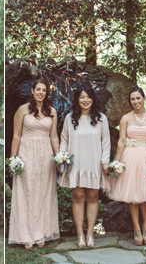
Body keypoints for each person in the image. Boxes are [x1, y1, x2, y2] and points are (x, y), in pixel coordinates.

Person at [108, 87, 146, 246]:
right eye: (133, 99)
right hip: (130, 156)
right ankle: (136, 228)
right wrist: (118, 161)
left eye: (138, 98)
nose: (136, 101)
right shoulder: (125, 118)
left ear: (144, 98)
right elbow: (121, 141)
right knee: (132, 196)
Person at [8, 78, 60, 249]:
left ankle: (41, 233)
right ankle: (26, 235)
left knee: (43, 192)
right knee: (27, 191)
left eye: (43, 90)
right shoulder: (22, 110)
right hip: (27, 153)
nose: (40, 92)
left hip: (45, 154)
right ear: (32, 90)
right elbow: (16, 135)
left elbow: (53, 136)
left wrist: (58, 157)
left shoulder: (52, 111)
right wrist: (13, 158)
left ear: (46, 93)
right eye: (38, 89)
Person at [59, 82, 110, 248]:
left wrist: (105, 161)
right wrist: (62, 157)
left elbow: (106, 142)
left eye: (88, 96)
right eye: (82, 97)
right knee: (78, 197)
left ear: (93, 99)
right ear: (77, 99)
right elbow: (64, 140)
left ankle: (90, 234)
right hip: (76, 164)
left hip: (94, 163)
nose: (85, 100)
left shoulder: (101, 118)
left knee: (93, 197)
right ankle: (80, 234)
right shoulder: (70, 118)